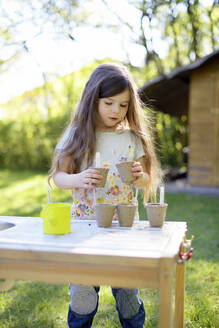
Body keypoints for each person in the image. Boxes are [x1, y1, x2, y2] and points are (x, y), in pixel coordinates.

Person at [49, 62, 162, 328]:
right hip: (84, 226)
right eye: (109, 103)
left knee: (126, 289)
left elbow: (146, 178)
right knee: (83, 292)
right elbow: (59, 177)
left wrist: (139, 177)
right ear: (93, 100)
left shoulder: (131, 137)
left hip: (123, 226)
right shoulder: (78, 134)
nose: (116, 111)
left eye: (123, 105)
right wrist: (78, 179)